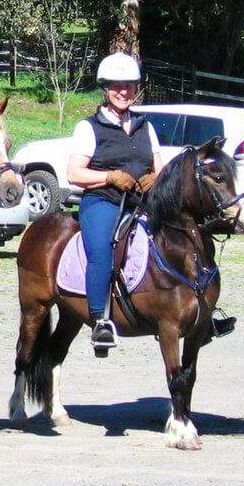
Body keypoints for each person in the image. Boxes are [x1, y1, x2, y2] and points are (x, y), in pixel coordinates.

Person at [66, 52, 162, 352]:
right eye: (116, 86)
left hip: (142, 201)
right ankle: (100, 322)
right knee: (102, 252)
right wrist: (110, 177)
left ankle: (199, 311)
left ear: (136, 89)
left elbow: (160, 167)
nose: (124, 92)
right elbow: (74, 173)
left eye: (129, 86)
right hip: (102, 202)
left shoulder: (146, 126)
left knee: (185, 235)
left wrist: (155, 179)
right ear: (105, 90)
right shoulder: (89, 127)